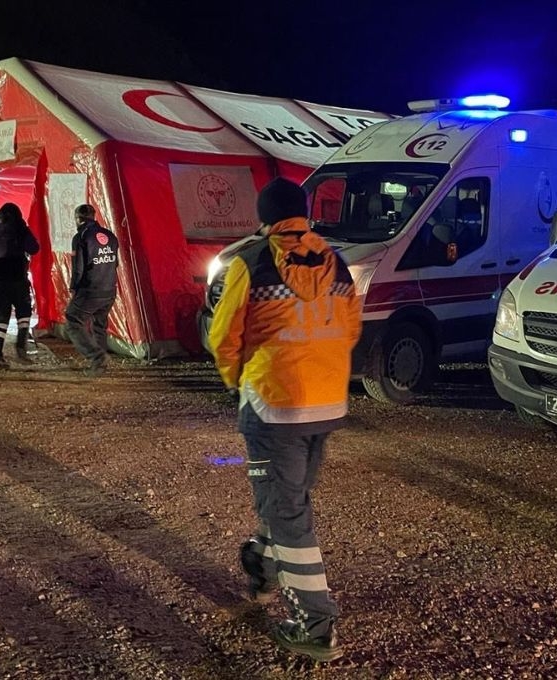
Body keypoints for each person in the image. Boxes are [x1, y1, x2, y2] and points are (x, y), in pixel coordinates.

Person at [208, 177, 362, 662]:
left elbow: (223, 335)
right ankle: (262, 561)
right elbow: (351, 326)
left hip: (274, 405)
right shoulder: (334, 261)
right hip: (327, 403)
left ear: (265, 217)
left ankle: (315, 625)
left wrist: (237, 380)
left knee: (287, 512)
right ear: (304, 214)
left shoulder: (250, 263)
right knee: (288, 500)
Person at [0, 202, 40, 369]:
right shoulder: (20, 229)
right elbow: (34, 248)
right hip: (18, 280)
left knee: (1, 319)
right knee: (24, 315)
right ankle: (21, 349)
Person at [65, 204, 118, 376]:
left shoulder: (81, 237)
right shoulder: (110, 235)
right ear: (93, 216)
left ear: (79, 218)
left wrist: (74, 288)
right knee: (99, 324)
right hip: (109, 289)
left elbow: (78, 268)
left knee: (73, 320)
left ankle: (97, 357)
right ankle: (102, 365)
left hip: (90, 290)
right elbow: (114, 263)